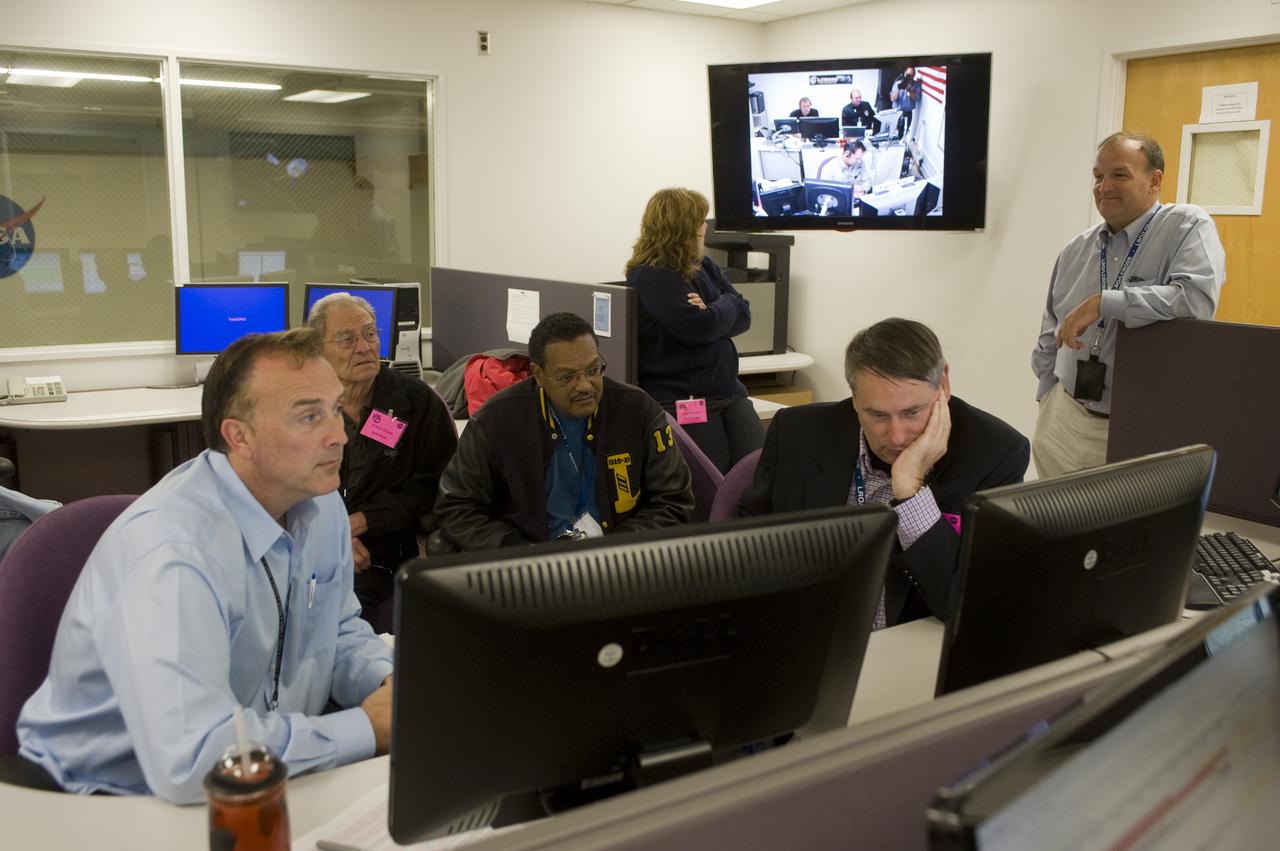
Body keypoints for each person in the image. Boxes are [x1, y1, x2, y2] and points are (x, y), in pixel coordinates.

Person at [16, 329, 395, 803]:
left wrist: (390, 680)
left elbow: (336, 630)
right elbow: (192, 758)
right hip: (110, 797)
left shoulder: (319, 507)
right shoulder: (175, 551)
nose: (339, 434)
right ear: (239, 436)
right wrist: (366, 729)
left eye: (336, 409)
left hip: (266, 769)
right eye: (308, 416)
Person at [741, 318, 1029, 627]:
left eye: (912, 412)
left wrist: (911, 492)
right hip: (806, 634)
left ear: (943, 384)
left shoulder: (996, 454)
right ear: (854, 397)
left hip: (904, 649)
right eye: (877, 414)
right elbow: (744, 550)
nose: (896, 437)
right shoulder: (797, 433)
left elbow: (967, 603)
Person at [1030, 132, 1225, 477]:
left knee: (1120, 528)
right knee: (1055, 528)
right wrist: (1047, 397)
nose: (1104, 186)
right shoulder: (1076, 249)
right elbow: (1051, 328)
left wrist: (1106, 303)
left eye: (1119, 175)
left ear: (1155, 180)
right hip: (1063, 418)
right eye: (1098, 176)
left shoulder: (1186, 225)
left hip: (1138, 429)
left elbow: (1195, 300)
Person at [434, 312, 693, 550]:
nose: (585, 386)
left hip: (620, 561)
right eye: (566, 377)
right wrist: (515, 550)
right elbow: (456, 505)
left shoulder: (637, 410)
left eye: (593, 370)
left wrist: (617, 549)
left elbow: (672, 500)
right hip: (531, 567)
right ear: (538, 374)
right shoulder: (497, 420)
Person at [307, 292, 457, 623]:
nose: (364, 347)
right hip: (310, 541)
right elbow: (282, 485)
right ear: (318, 348)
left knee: (339, 620)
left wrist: (362, 522)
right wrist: (331, 533)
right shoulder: (305, 405)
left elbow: (437, 486)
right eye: (347, 339)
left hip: (383, 549)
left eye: (370, 333)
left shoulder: (415, 402)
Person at [624, 187, 763, 473]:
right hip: (686, 399)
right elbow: (698, 328)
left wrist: (718, 306)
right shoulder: (651, 274)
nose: (705, 227)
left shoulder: (704, 265)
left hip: (728, 390)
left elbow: (744, 314)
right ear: (681, 228)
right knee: (715, 482)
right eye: (700, 220)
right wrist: (725, 306)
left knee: (760, 470)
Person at [891, 68, 921, 138]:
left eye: (912, 75)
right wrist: (899, 88)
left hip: (908, 113)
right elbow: (893, 98)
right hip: (897, 113)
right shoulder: (897, 83)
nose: (909, 77)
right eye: (908, 75)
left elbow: (917, 99)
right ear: (905, 74)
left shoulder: (916, 85)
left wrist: (910, 90)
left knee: (906, 135)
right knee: (895, 136)